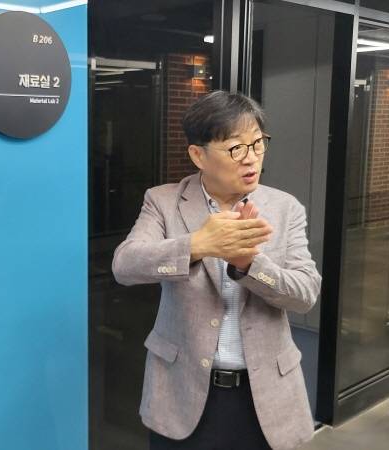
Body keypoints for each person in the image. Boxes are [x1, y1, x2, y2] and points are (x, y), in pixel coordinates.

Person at [111, 90, 322, 450]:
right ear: (199, 155)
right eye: (236, 148)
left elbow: (305, 294)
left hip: (264, 396)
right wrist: (197, 245)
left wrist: (249, 264)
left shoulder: (285, 208)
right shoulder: (163, 201)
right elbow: (125, 265)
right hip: (182, 392)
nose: (251, 158)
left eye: (258, 143)